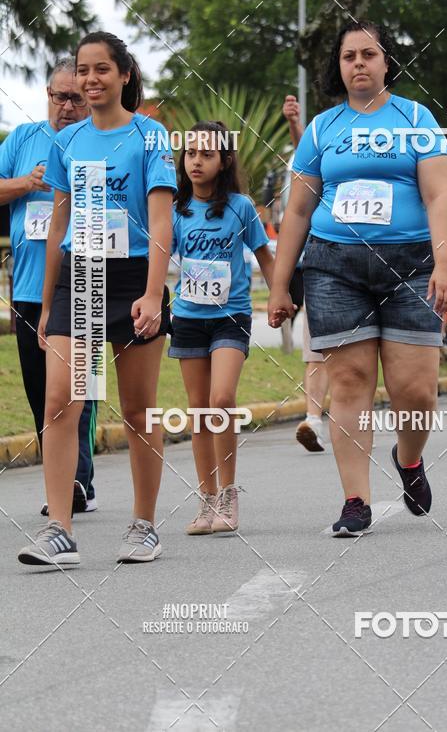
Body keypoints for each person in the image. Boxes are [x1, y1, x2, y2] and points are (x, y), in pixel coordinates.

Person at [269, 19, 447, 536]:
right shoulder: (322, 128)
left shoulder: (417, 119)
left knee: (416, 392)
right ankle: (356, 500)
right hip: (334, 265)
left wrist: (445, 263)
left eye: (368, 55)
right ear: (340, 66)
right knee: (349, 383)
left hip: (412, 265)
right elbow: (299, 211)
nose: (358, 64)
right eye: (349, 56)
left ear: (386, 62)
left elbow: (440, 195)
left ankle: (409, 459)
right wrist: (282, 284)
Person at [17, 32, 176, 568]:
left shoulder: (150, 135)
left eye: (101, 69)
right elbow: (60, 218)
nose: (90, 80)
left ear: (124, 74)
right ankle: (60, 530)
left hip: (133, 279)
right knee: (63, 398)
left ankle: (145, 525)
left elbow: (160, 219)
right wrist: (45, 302)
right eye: (83, 70)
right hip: (79, 279)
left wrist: (155, 291)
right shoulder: (69, 140)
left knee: (136, 409)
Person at [0, 58, 98, 515]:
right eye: (60, 97)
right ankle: (59, 480)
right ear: (48, 95)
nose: (68, 106)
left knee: (79, 387)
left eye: (77, 97)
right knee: (41, 391)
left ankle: (77, 482)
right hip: (27, 288)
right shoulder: (22, 139)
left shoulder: (97, 139)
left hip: (84, 283)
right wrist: (27, 182)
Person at [169, 122, 273, 534]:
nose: (196, 160)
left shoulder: (241, 207)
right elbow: (159, 258)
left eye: (206, 154)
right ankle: (207, 499)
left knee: (222, 398)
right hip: (189, 318)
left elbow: (264, 254)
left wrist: (280, 294)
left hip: (231, 315)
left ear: (224, 160)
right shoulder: (176, 209)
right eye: (190, 153)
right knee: (198, 412)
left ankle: (229, 495)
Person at [282, 94, 330, 452]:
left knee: (357, 355)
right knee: (317, 349)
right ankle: (313, 419)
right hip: (320, 265)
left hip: (369, 263)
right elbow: (306, 154)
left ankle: (356, 422)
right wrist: (295, 124)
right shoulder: (314, 157)